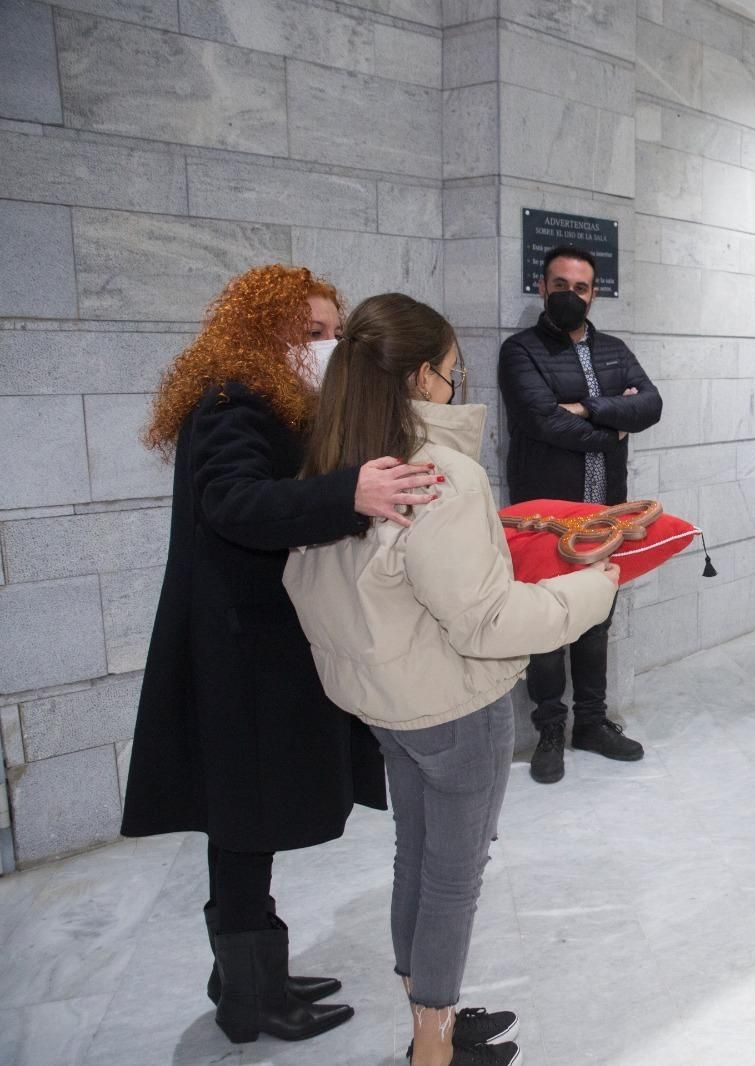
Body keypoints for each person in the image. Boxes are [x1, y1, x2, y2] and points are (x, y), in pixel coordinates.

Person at [285, 293, 619, 1066]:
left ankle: (427, 1018)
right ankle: (433, 1051)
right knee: (453, 879)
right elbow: (485, 622)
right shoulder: (441, 473)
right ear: (421, 378)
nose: (454, 383)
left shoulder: (338, 458)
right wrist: (593, 590)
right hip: (454, 702)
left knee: (417, 856)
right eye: (451, 370)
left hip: (387, 699)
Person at [120, 265, 445, 1044]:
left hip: (258, 641)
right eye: (312, 332)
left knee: (248, 817)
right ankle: (249, 997)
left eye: (334, 332)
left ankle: (249, 970)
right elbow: (232, 501)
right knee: (243, 818)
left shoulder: (273, 399)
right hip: (238, 650)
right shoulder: (232, 399)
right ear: (264, 332)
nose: (328, 345)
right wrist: (347, 494)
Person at [498, 245, 662, 784]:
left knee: (597, 618)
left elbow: (651, 405)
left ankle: (591, 723)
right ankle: (550, 730)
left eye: (582, 288)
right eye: (561, 285)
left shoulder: (614, 350)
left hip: (606, 509)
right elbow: (541, 421)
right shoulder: (520, 351)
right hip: (546, 513)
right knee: (547, 623)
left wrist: (589, 407)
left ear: (595, 294)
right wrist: (615, 428)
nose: (572, 295)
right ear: (542, 288)